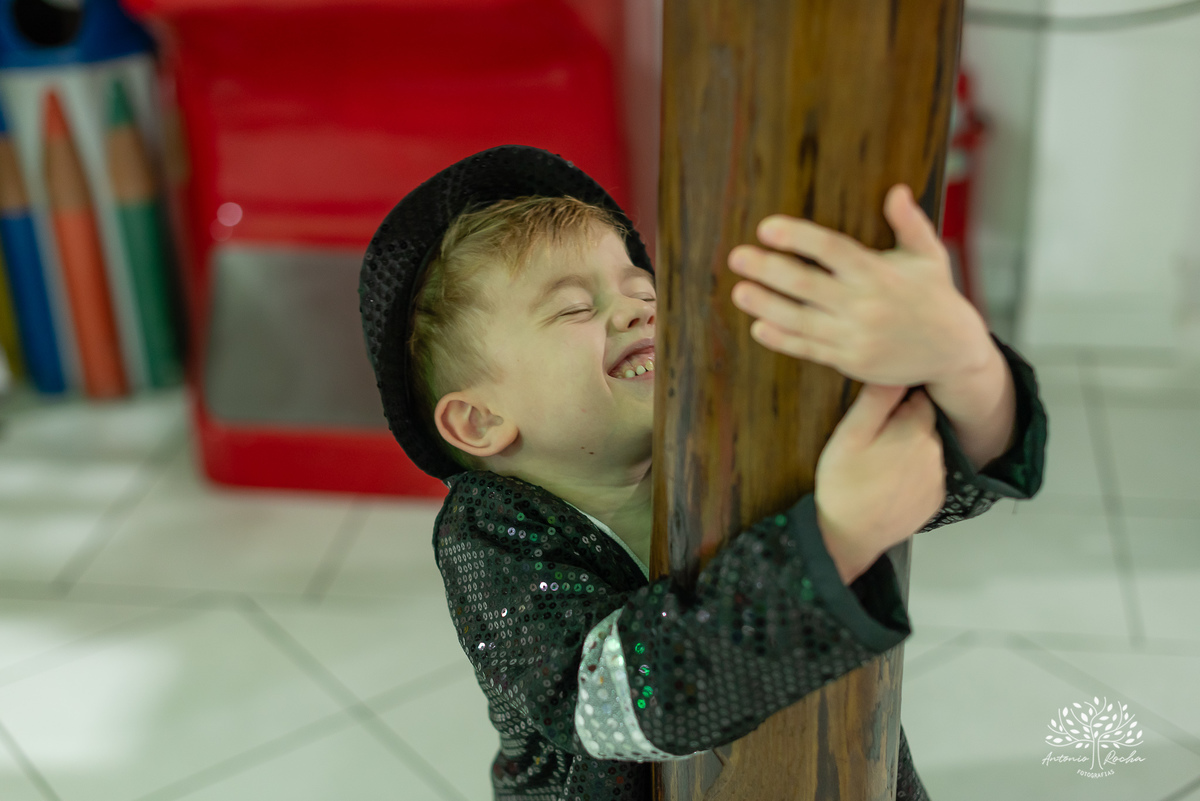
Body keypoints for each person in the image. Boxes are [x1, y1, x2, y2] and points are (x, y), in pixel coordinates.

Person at [358, 145, 1047, 801]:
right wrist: (833, 537)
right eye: (575, 308)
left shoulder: (721, 425)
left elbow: (945, 467)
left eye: (642, 285)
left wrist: (967, 369)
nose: (639, 307)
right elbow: (607, 703)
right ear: (479, 421)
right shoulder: (489, 536)